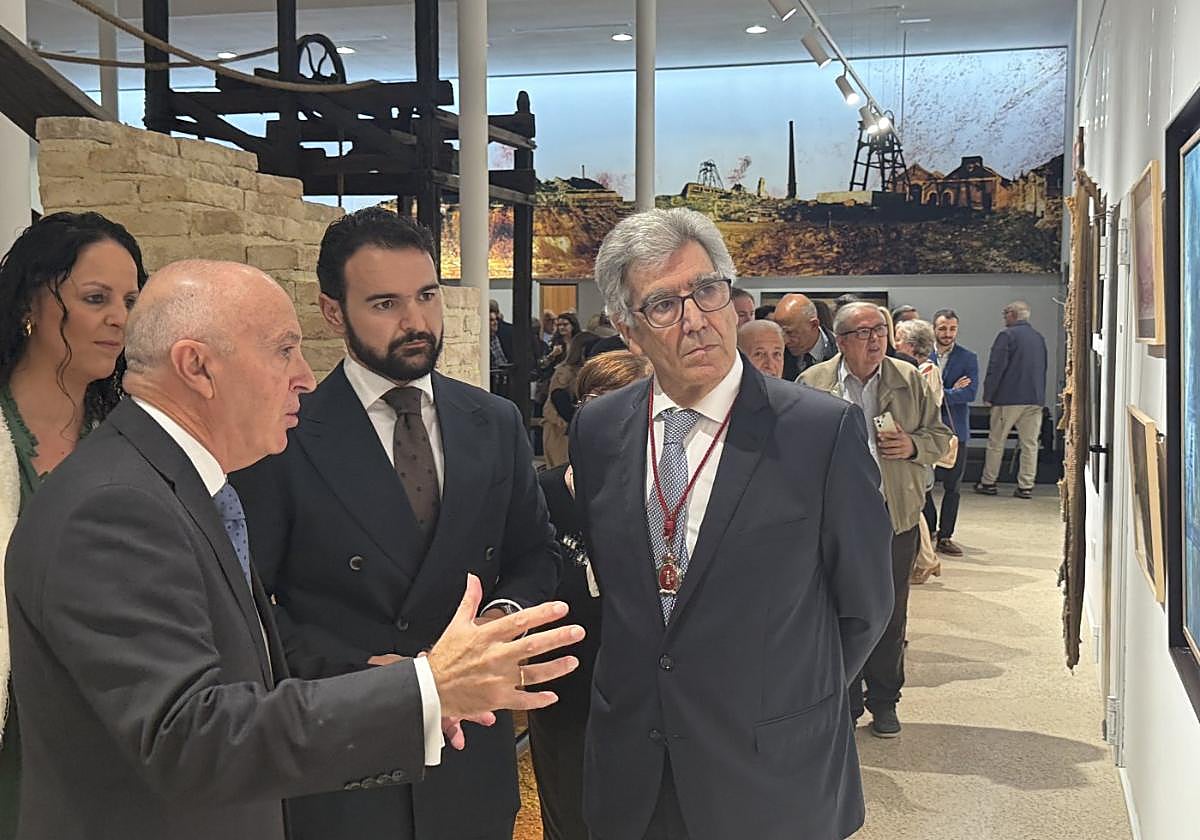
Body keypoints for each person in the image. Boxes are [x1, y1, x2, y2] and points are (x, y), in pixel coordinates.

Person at [4, 259, 582, 840]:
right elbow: (189, 737)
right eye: (284, 351)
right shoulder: (116, 506)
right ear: (196, 366)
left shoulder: (167, 483)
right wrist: (427, 688)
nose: (304, 377)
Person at [231, 208, 562, 840]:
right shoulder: (283, 435)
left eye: (427, 296)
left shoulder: (493, 422)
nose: (415, 322)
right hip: (346, 747)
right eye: (385, 303)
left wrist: (497, 623)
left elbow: (534, 553)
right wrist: (361, 671)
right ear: (333, 313)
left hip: (471, 751)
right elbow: (250, 602)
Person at [573, 208, 894, 840]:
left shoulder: (818, 431)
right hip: (634, 766)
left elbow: (865, 607)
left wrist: (783, 699)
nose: (696, 319)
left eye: (708, 290)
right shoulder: (599, 428)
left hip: (768, 770)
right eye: (663, 305)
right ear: (628, 331)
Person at [0, 212, 146, 840]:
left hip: (120, 734)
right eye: (95, 298)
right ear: (30, 303)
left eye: (130, 301)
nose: (119, 318)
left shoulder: (136, 441)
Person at [801, 302, 952, 739]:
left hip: (893, 513)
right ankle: (844, 701)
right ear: (841, 340)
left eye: (880, 331)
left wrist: (912, 446)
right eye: (863, 333)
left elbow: (941, 436)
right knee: (838, 611)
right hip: (835, 518)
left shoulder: (909, 378)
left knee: (889, 612)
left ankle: (885, 701)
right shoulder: (813, 383)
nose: (875, 340)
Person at [528, 350, 653, 840]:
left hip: (643, 688)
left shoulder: (666, 499)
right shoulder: (541, 495)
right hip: (563, 682)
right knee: (568, 812)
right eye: (594, 403)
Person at [976, 300, 1047, 499]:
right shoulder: (1038, 338)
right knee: (1030, 444)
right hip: (1034, 398)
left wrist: (989, 394)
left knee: (996, 442)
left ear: (1012, 315)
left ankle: (988, 482)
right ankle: (1026, 485)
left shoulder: (1006, 336)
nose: (1004, 317)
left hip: (1007, 398)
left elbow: (996, 367)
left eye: (1005, 313)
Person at [894, 319, 944, 585]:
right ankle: (925, 558)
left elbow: (929, 412)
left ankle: (926, 559)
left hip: (916, 447)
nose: (894, 343)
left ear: (911, 345)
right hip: (907, 447)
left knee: (914, 505)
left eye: (899, 339)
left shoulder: (924, 372)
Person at [925, 309, 978, 555]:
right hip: (927, 430)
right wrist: (950, 390)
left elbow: (970, 393)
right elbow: (919, 393)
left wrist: (938, 392)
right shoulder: (924, 356)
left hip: (956, 431)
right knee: (924, 485)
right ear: (934, 329)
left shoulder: (968, 358)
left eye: (952, 328)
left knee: (953, 487)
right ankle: (929, 528)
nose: (948, 333)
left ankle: (946, 536)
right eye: (943, 328)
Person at [542, 331, 599, 467]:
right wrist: (574, 420)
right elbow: (558, 397)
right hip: (559, 430)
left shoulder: (586, 371)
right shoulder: (565, 371)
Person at [772, 292, 835, 380]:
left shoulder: (842, 350)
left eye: (790, 333)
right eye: (780, 333)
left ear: (814, 325)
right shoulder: (776, 355)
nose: (785, 341)